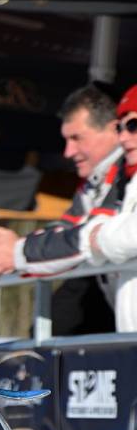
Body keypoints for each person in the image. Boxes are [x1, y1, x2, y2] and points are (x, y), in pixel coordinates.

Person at [0, 84, 123, 335]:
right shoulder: (94, 181)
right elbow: (67, 230)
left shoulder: (126, 175)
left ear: (113, 129)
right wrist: (12, 247)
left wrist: (17, 252)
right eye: (66, 140)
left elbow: (87, 238)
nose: (68, 152)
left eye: (77, 138)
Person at [79, 84, 137, 331]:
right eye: (119, 127)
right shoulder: (130, 181)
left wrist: (98, 237)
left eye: (133, 126)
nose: (123, 137)